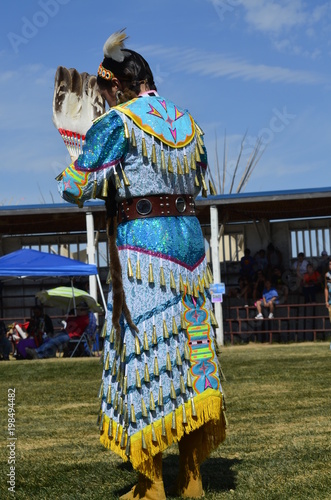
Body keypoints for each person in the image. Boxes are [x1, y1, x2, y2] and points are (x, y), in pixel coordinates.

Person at [56, 30, 226, 499]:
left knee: (143, 355)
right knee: (193, 360)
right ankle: (192, 481)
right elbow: (196, 178)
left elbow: (74, 187)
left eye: (104, 92)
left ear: (115, 87)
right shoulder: (188, 122)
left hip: (143, 257)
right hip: (191, 255)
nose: (104, 99)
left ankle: (150, 486)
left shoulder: (119, 122)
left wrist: (76, 144)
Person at [26, 302, 90, 359]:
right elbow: (70, 324)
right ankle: (41, 355)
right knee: (52, 340)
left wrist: (69, 319)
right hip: (68, 333)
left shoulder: (85, 319)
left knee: (54, 341)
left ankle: (37, 351)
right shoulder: (79, 317)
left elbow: (74, 326)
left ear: (84, 310)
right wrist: (68, 319)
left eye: (79, 309)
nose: (78, 311)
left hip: (74, 335)